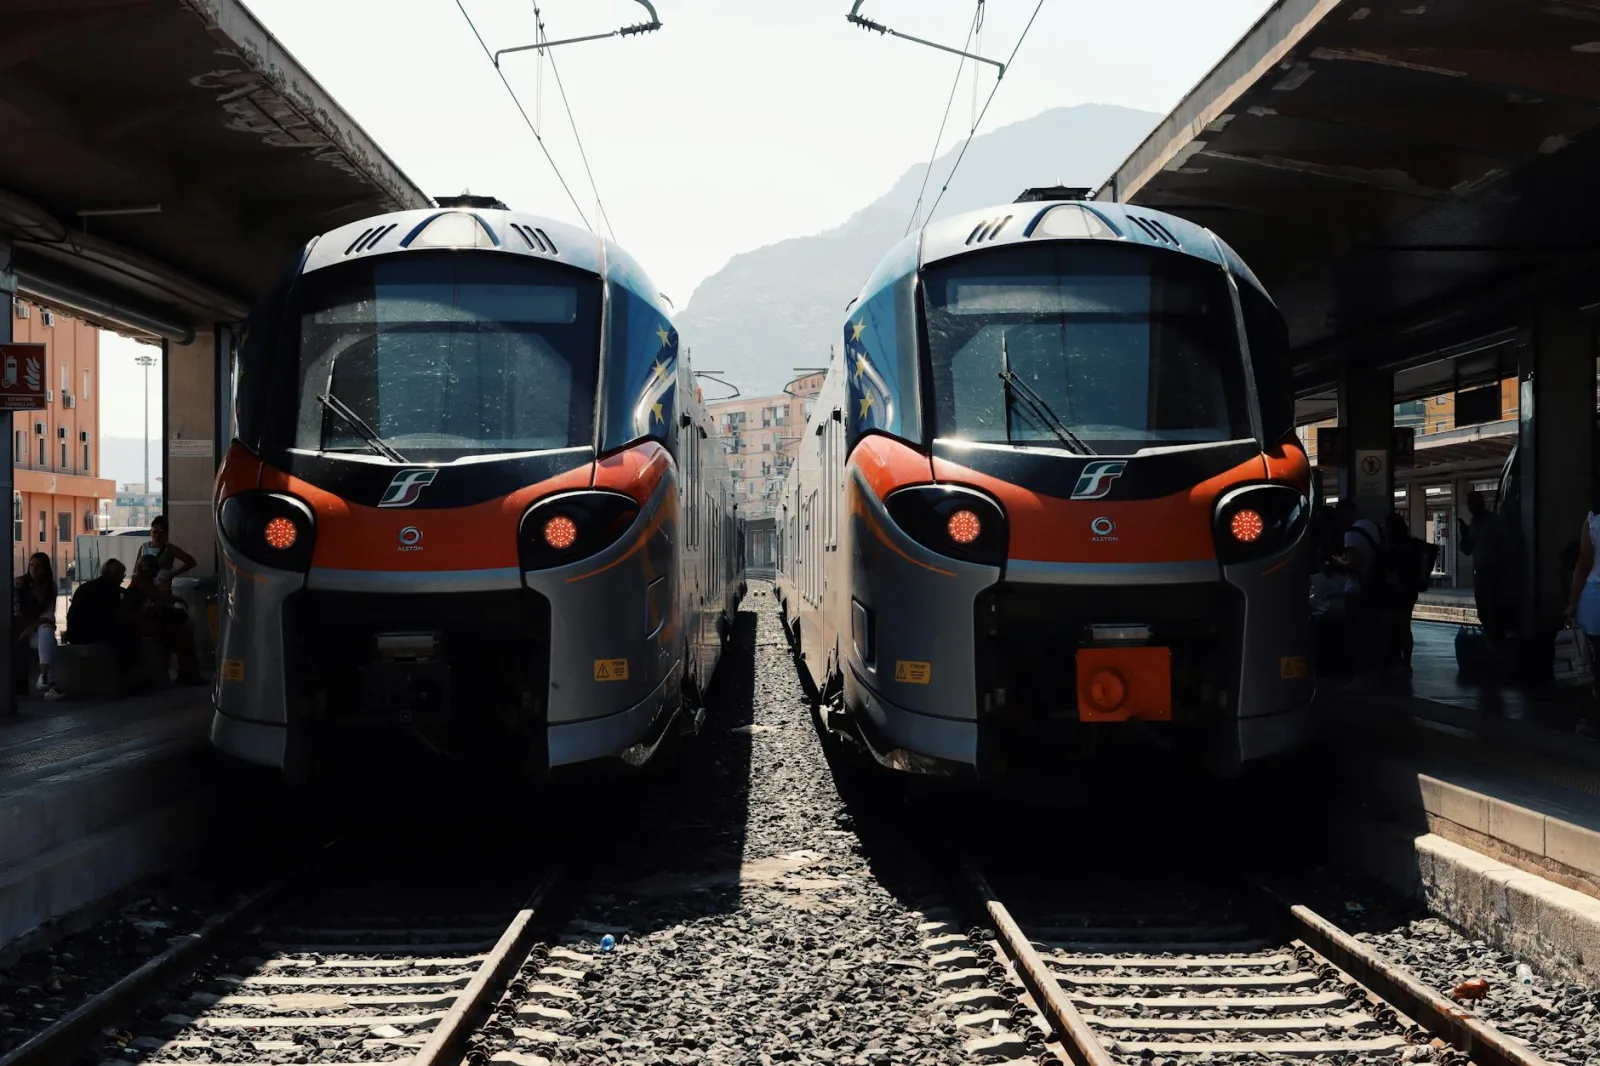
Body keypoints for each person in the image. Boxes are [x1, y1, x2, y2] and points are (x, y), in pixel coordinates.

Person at [125, 556, 206, 686]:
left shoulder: (142, 582)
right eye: (154, 570)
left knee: (182, 633)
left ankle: (188, 672)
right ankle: (188, 673)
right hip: (143, 624)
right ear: (147, 569)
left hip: (147, 622)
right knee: (181, 636)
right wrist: (174, 599)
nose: (156, 573)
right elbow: (157, 596)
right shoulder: (142, 582)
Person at [64, 558, 139, 682]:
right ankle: (126, 678)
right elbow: (113, 617)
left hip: (75, 633)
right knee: (128, 636)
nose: (122, 579)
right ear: (113, 574)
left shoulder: (88, 586)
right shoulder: (111, 590)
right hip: (89, 633)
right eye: (121, 575)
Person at [1460, 491, 1513, 648]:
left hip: (1493, 572)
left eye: (1474, 503)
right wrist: (1464, 534)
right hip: (1481, 573)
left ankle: (1497, 643)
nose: (1472, 507)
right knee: (1483, 611)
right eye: (1470, 504)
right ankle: (1492, 641)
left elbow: (1506, 546)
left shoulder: (1493, 522)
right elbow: (1467, 549)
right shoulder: (1474, 523)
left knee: (1493, 611)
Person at [1565, 500, 1600, 739]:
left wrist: (1571, 602)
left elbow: (1584, 564)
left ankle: (1592, 721)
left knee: (1592, 664)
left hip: (1593, 601)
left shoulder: (1593, 519)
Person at [12, 552, 62, 700]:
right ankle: (49, 683)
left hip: (34, 632)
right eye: (31, 565)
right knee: (50, 640)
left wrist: (32, 627)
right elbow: (16, 612)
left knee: (46, 631)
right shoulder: (19, 584)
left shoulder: (50, 588)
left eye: (38, 566)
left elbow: (48, 615)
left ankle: (44, 676)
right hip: (20, 632)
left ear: (45, 569)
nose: (33, 569)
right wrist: (32, 626)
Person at [139, 515, 197, 589]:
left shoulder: (169, 548)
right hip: (146, 586)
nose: (157, 535)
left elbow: (191, 562)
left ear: (166, 533)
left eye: (161, 532)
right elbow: (136, 569)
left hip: (162, 587)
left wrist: (173, 574)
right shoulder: (144, 547)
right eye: (155, 531)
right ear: (151, 531)